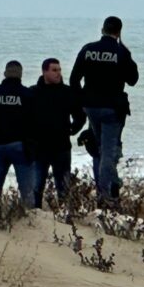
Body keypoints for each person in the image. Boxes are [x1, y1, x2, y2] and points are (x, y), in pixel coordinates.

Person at [70, 16, 139, 206]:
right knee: (109, 152)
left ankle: (109, 188)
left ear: (102, 29)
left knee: (99, 149)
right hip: (112, 108)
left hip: (91, 107)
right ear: (119, 32)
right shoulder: (120, 52)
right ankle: (106, 197)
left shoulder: (88, 49)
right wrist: (128, 55)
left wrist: (80, 103)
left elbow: (74, 79)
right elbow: (133, 79)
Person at [31, 57, 87, 208]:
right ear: (44, 72)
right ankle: (35, 216)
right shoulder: (33, 92)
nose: (58, 73)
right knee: (36, 187)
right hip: (39, 148)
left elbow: (80, 115)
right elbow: (24, 118)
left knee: (63, 188)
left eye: (59, 70)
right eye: (54, 70)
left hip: (61, 148)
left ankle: (66, 216)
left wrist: (73, 129)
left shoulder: (67, 92)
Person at [0, 60, 35, 205]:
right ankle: (30, 220)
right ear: (21, 75)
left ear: (5, 74)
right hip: (20, 146)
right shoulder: (28, 95)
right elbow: (35, 122)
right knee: (27, 191)